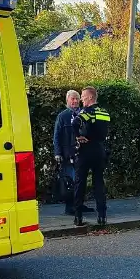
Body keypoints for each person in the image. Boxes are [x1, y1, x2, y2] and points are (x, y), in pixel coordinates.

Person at [72, 86, 111, 226]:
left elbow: (75, 123)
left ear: (89, 97)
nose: (81, 99)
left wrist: (78, 137)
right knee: (99, 183)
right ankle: (102, 216)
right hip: (100, 150)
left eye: (82, 96)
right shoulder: (105, 113)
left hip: (85, 150)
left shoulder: (87, 112)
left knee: (80, 183)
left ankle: (78, 217)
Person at [52, 90, 93, 216]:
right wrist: (57, 153)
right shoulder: (62, 116)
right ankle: (70, 207)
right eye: (72, 99)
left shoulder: (84, 114)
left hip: (83, 153)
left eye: (77, 99)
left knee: (81, 181)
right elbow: (57, 136)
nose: (75, 101)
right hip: (68, 154)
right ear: (67, 100)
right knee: (70, 181)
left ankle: (79, 204)